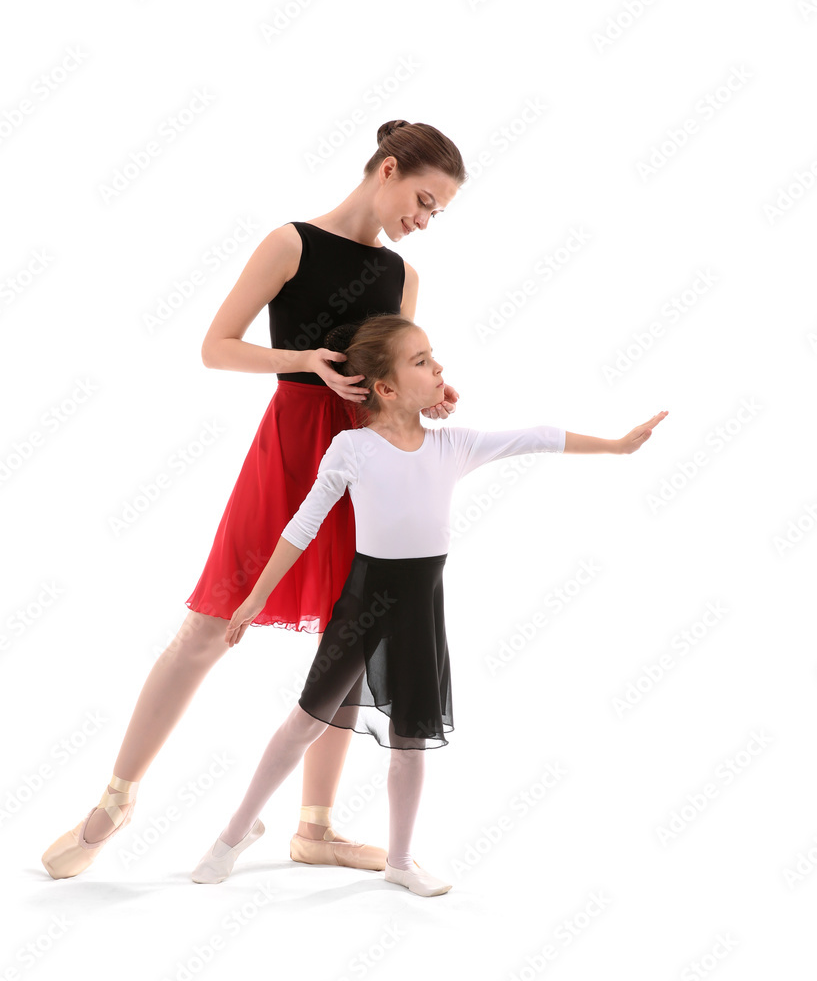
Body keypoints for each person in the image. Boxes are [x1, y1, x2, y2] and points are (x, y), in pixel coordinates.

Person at [41, 120, 466, 880]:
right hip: (289, 447)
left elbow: (391, 373)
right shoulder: (291, 243)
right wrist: (303, 358)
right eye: (424, 200)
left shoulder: (402, 277)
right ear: (388, 169)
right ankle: (116, 798)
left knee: (346, 639)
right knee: (208, 626)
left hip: (364, 458)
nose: (425, 221)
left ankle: (317, 828)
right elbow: (216, 346)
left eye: (438, 214)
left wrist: (423, 399)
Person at [188, 315, 669, 896]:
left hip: (421, 610)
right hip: (363, 605)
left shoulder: (453, 445)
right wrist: (254, 598)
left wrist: (616, 446)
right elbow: (303, 524)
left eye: (433, 357)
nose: (438, 367)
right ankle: (234, 834)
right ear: (385, 388)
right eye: (421, 361)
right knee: (303, 723)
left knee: (410, 740)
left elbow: (539, 435)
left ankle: (401, 859)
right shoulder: (353, 447)